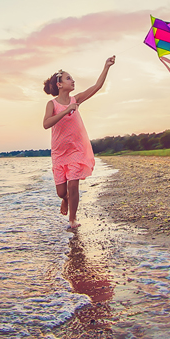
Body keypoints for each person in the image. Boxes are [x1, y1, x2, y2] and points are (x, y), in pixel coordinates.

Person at [43, 56, 115, 228]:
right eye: (69, 78)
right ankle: (65, 200)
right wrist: (66, 111)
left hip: (76, 149)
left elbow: (96, 87)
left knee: (73, 185)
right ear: (60, 85)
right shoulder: (52, 104)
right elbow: (46, 124)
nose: (73, 80)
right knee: (61, 192)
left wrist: (106, 66)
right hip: (59, 153)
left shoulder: (76, 99)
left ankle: (72, 219)